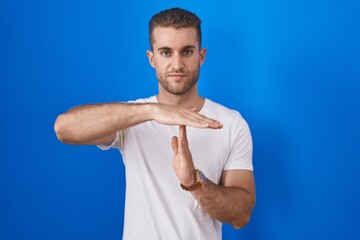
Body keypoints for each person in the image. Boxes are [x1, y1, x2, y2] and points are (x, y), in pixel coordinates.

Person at [54, 7, 255, 239]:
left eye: (187, 52)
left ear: (201, 55)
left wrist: (194, 182)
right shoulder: (132, 116)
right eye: (166, 52)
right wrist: (152, 111)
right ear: (152, 58)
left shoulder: (230, 123)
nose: (177, 63)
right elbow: (63, 128)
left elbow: (241, 215)